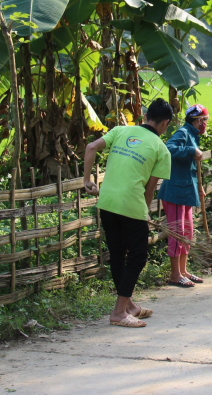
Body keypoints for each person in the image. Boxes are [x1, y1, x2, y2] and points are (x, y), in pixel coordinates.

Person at [83, 98, 173, 328]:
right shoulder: (161, 149)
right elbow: (149, 190)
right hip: (131, 205)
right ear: (165, 124)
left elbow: (91, 147)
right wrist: (145, 213)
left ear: (145, 117)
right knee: (137, 256)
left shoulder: (120, 130)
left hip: (107, 202)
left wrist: (87, 180)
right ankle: (119, 312)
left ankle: (129, 305)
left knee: (117, 253)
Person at [157, 104, 209, 288]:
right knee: (177, 233)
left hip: (187, 189)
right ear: (196, 120)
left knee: (186, 233)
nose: (204, 124)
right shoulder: (183, 133)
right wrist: (190, 151)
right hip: (176, 192)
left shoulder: (193, 135)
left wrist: (198, 188)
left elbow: (190, 168)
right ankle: (174, 275)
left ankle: (183, 271)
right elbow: (168, 148)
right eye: (203, 120)